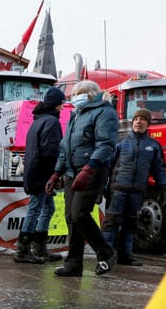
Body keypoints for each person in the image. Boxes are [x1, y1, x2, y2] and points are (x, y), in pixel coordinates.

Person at [45, 80, 117, 276]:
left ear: (92, 94)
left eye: (80, 93)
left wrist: (88, 168)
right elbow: (65, 147)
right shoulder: (75, 115)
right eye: (74, 93)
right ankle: (74, 263)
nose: (75, 97)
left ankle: (106, 252)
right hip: (71, 171)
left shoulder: (105, 112)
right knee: (70, 218)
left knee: (79, 214)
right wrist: (57, 172)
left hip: (91, 171)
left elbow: (106, 144)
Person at [102, 108, 166, 266]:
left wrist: (163, 188)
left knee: (131, 224)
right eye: (136, 119)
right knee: (111, 223)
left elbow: (159, 169)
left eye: (143, 119)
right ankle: (105, 256)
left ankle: (126, 256)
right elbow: (107, 165)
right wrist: (101, 187)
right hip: (118, 190)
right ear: (132, 122)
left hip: (137, 193)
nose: (139, 122)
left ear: (148, 124)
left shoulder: (154, 146)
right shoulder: (121, 142)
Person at [16, 86, 65, 264]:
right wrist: (55, 174)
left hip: (35, 171)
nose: (63, 105)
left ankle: (39, 247)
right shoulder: (51, 122)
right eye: (62, 102)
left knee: (47, 208)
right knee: (36, 208)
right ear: (56, 104)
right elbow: (51, 150)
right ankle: (23, 249)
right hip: (42, 174)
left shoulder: (38, 120)